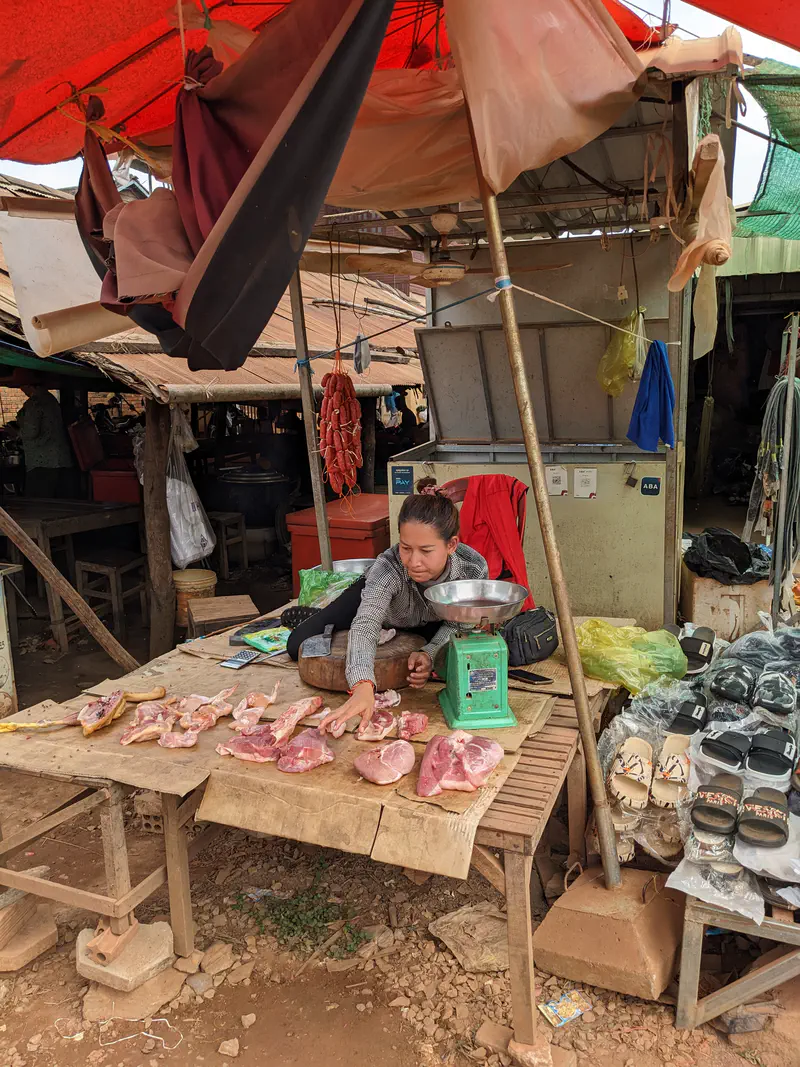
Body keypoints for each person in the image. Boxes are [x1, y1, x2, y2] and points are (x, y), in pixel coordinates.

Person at [286, 478, 489, 735]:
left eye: (426, 551)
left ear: (451, 545)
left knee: (451, 663)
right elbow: (367, 623)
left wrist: (430, 653)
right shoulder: (389, 566)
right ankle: (326, 616)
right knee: (297, 645)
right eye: (406, 548)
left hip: (430, 620)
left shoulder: (473, 569)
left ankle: (336, 620)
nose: (413, 561)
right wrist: (361, 685)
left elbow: (458, 624)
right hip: (379, 606)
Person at [16, 379, 77, 498]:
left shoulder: (34, 402)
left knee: (39, 504)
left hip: (42, 462)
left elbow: (31, 432)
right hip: (59, 459)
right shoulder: (51, 399)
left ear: (29, 385)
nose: (21, 390)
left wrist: (16, 432)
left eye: (22, 386)